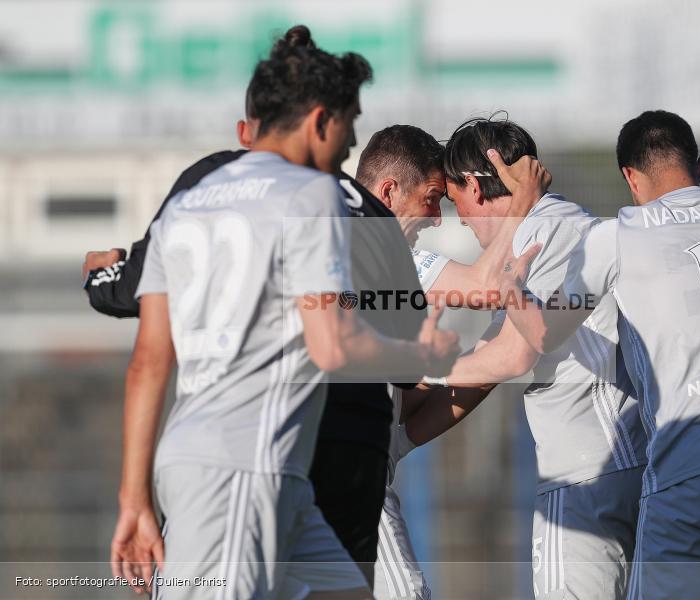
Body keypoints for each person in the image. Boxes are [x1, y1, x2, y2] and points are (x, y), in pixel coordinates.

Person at [109, 36, 460, 600]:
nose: (349, 145)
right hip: (244, 467)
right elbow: (332, 344)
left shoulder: (188, 201)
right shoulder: (312, 195)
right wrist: (423, 353)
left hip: (243, 466)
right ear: (321, 121)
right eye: (350, 125)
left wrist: (134, 499)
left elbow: (148, 363)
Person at [496, 110, 700, 599]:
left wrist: (507, 282)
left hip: (690, 474)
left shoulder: (618, 235)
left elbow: (543, 334)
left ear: (630, 176)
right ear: (699, 165)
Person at [355, 124, 553, 600]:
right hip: (343, 476)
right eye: (430, 198)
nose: (437, 218)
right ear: (388, 191)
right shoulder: (375, 244)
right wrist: (523, 204)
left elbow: (410, 408)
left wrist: (484, 362)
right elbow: (485, 289)